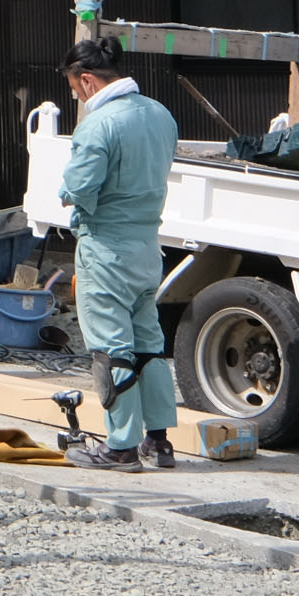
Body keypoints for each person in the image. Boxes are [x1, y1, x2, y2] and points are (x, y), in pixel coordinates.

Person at [56, 34, 182, 470]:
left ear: (87, 80)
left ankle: (121, 447)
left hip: (105, 249)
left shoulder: (99, 124)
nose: (78, 97)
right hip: (148, 246)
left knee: (112, 350)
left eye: (75, 89)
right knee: (149, 344)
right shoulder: (160, 114)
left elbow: (79, 187)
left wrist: (65, 193)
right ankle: (159, 443)